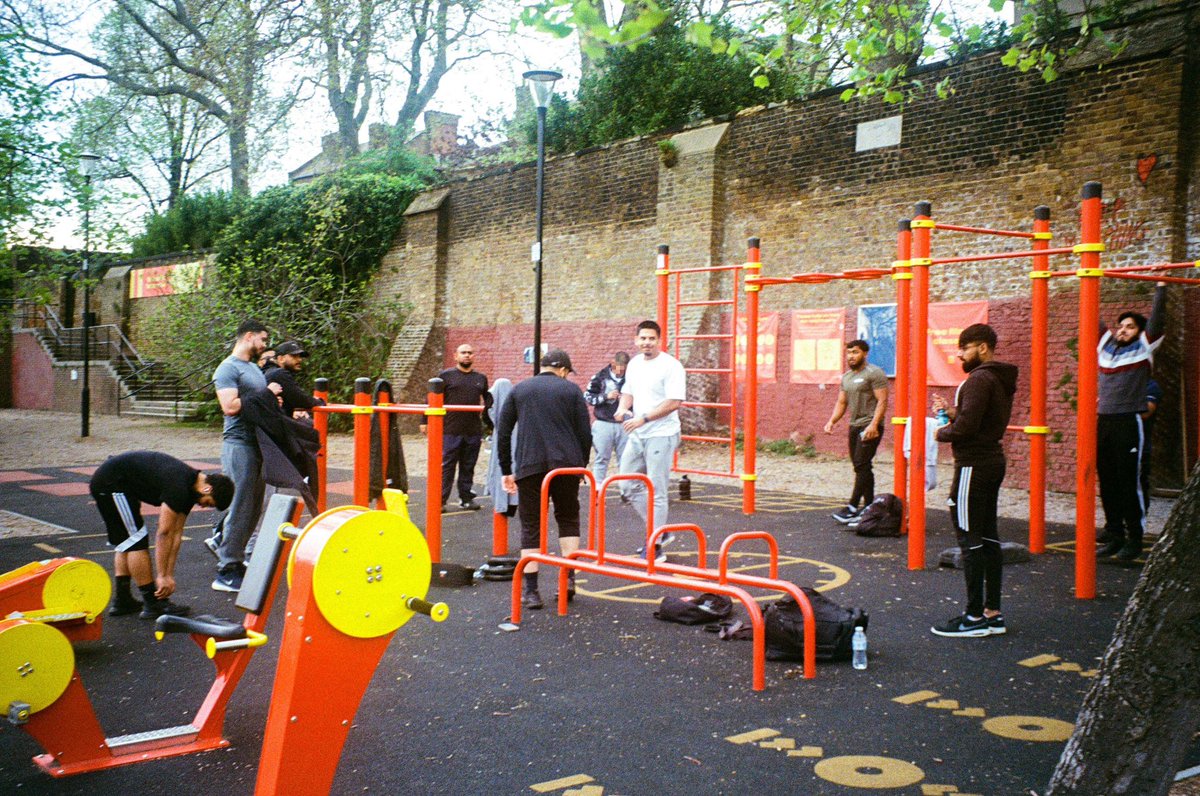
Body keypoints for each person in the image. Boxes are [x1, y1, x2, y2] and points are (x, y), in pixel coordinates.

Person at [929, 323, 1018, 638]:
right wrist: (954, 414)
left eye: (964, 348)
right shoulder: (996, 378)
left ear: (982, 348)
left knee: (970, 540)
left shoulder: (978, 379)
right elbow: (978, 420)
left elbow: (967, 430)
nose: (959, 354)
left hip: (972, 466)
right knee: (989, 538)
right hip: (991, 462)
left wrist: (940, 432)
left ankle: (973, 617)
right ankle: (992, 612)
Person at [497, 350, 592, 609]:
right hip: (566, 465)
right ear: (561, 369)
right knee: (568, 518)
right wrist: (581, 466)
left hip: (530, 465)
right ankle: (568, 580)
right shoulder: (571, 391)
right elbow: (585, 432)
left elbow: (503, 432)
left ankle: (531, 591)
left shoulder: (520, 390)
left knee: (531, 525)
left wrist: (507, 468)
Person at [91, 451, 234, 619]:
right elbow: (164, 532)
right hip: (110, 483)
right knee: (135, 540)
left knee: (128, 540)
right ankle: (152, 602)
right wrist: (162, 576)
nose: (203, 506)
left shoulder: (190, 491)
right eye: (208, 502)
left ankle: (123, 600)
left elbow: (176, 533)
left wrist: (168, 574)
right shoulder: (179, 485)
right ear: (207, 488)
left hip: (120, 485)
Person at [1096, 282, 1167, 561]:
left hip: (1128, 421)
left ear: (1140, 333)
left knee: (1129, 482)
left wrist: (1161, 286)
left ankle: (1134, 540)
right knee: (1108, 482)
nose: (1123, 329)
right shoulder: (1105, 348)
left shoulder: (1144, 349)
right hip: (1104, 421)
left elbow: (1158, 320)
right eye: (1121, 325)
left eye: (1130, 327)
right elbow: (1092, 317)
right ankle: (1114, 535)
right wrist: (1088, 277)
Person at [210, 319, 281, 593]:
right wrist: (265, 394)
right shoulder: (228, 368)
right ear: (249, 336)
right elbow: (230, 406)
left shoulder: (253, 368)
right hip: (238, 443)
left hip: (257, 442)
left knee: (253, 506)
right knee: (241, 504)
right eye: (262, 339)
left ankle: (235, 560)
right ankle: (226, 569)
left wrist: (272, 401)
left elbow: (258, 402)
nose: (265, 345)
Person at [615, 321, 687, 561]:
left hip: (661, 433)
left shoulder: (671, 366)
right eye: (643, 338)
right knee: (626, 484)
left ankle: (655, 545)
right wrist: (622, 407)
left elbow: (674, 402)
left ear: (659, 340)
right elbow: (629, 390)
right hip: (638, 431)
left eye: (651, 339)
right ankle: (660, 531)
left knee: (656, 489)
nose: (647, 342)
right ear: (636, 340)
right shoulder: (634, 364)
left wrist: (643, 418)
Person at [823, 340, 889, 524]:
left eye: (855, 352)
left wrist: (874, 425)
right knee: (862, 466)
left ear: (865, 354)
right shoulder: (847, 377)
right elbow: (842, 402)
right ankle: (869, 507)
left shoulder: (874, 373)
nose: (851, 356)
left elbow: (882, 401)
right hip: (854, 425)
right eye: (849, 352)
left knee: (861, 464)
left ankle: (852, 507)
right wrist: (832, 421)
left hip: (869, 425)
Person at [422, 343, 493, 511]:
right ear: (456, 356)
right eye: (463, 353)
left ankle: (466, 498)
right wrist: (424, 421)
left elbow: (488, 398)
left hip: (472, 430)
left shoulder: (480, 378)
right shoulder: (445, 376)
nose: (467, 355)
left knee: (468, 466)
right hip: (450, 430)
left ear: (473, 356)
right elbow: (430, 399)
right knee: (447, 466)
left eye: (470, 353)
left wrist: (488, 418)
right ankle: (440, 501)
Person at [585, 352, 630, 489]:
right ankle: (598, 488)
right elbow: (588, 397)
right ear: (612, 363)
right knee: (602, 457)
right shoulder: (599, 377)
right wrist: (605, 397)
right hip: (603, 421)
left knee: (625, 458)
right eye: (618, 367)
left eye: (623, 368)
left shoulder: (631, 377)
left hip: (625, 422)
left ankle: (625, 488)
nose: (620, 371)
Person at [264, 340, 320, 420]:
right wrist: (320, 402)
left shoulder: (270, 372)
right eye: (294, 356)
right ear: (281, 359)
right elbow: (300, 399)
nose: (299, 360)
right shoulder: (279, 373)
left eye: (300, 356)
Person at [1140, 378, 1162, 512]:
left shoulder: (1151, 386)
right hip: (1122, 441)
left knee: (1139, 483)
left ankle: (1138, 523)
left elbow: (1146, 411)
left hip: (1141, 446)